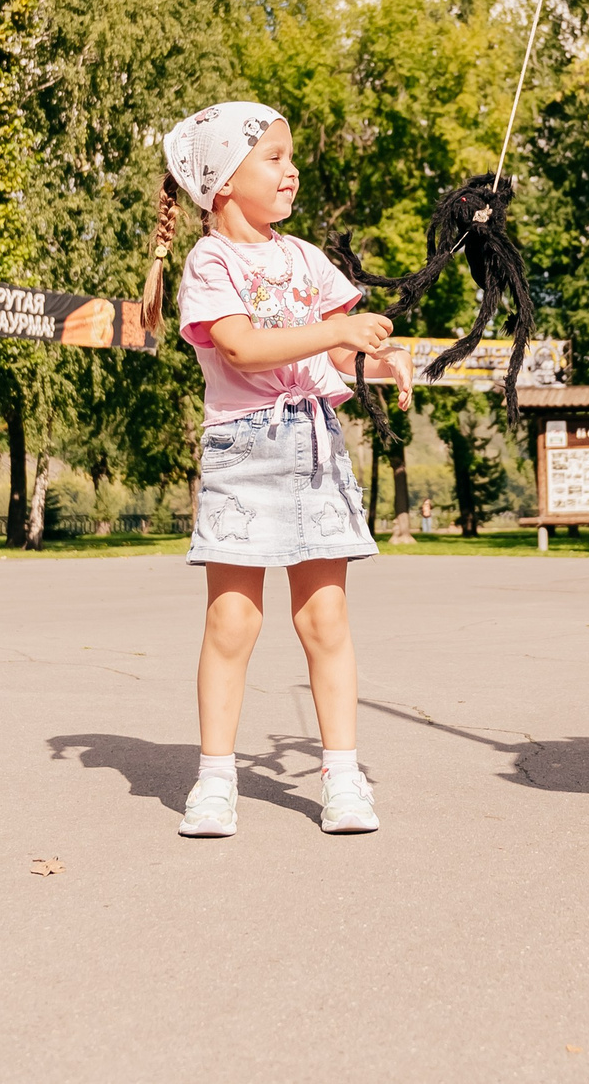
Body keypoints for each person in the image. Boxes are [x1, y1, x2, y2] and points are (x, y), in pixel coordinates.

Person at [142, 101, 415, 840]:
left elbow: (331, 352)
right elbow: (240, 348)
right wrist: (336, 329)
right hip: (242, 452)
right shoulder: (212, 261)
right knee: (233, 620)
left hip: (315, 445)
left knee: (325, 617)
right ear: (223, 182)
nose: (291, 169)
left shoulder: (303, 259)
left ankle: (342, 773)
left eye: (290, 156)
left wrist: (373, 356)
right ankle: (215, 778)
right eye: (273, 156)